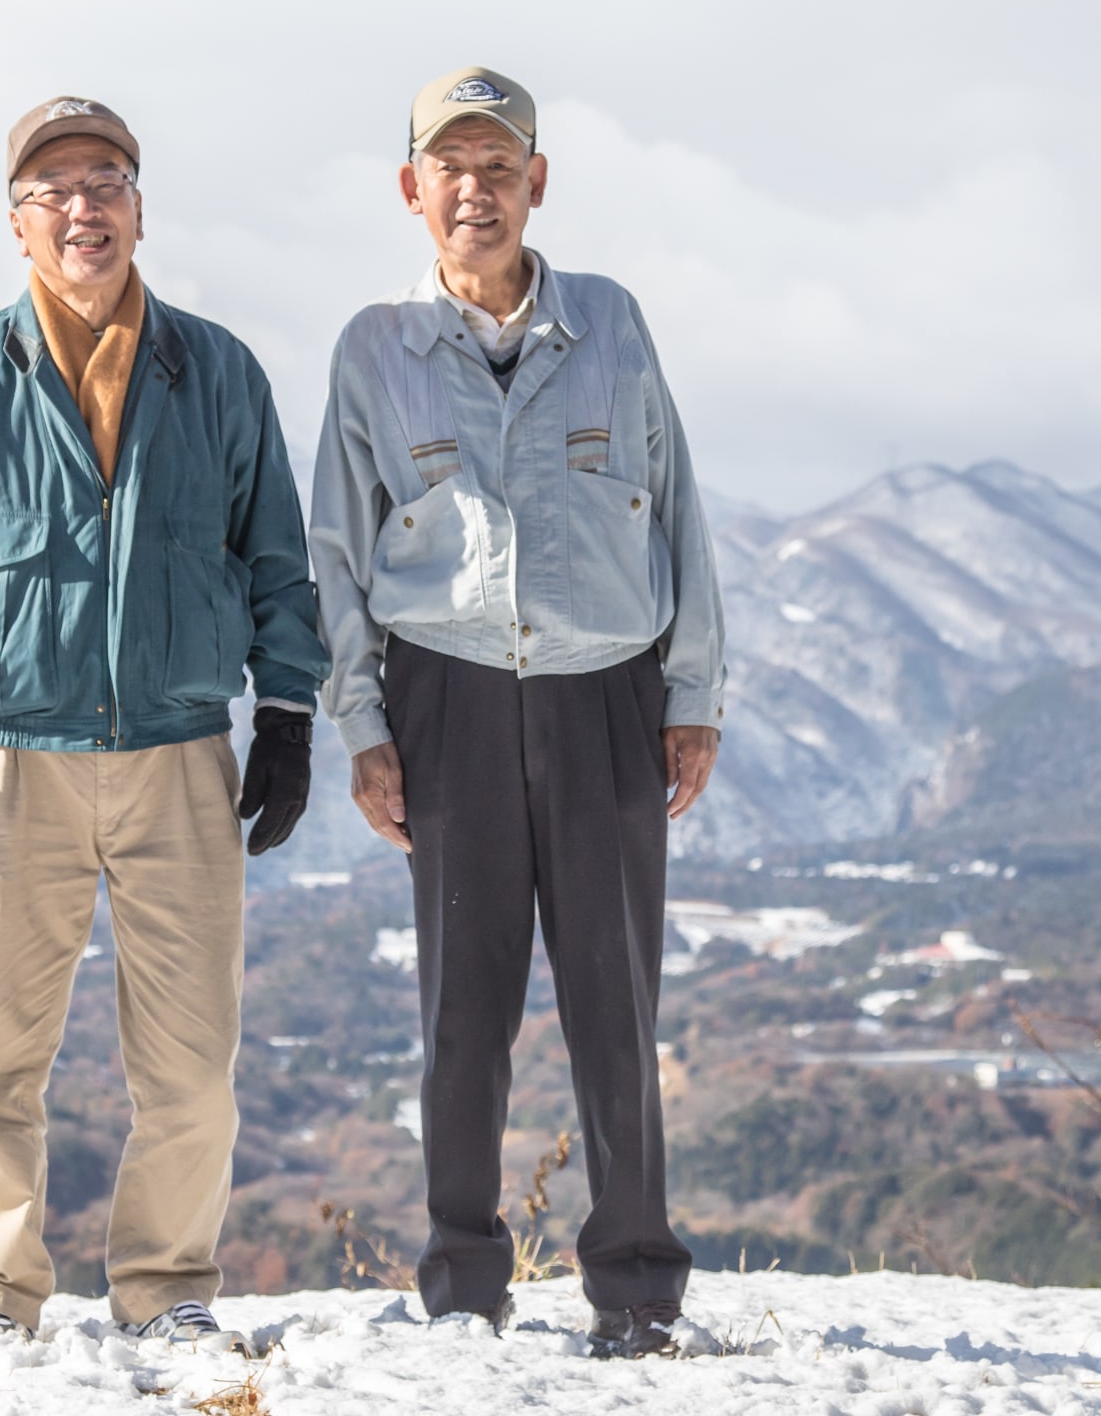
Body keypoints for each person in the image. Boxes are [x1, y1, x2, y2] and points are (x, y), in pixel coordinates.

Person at [0, 95, 330, 1363]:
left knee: (190, 1057)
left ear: (138, 205)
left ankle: (168, 1283)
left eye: (105, 180)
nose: (83, 206)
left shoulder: (216, 369)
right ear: (17, 222)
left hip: (180, 756)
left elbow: (277, 558)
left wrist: (285, 711)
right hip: (12, 759)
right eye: (54, 188)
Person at [307, 66, 727, 1361]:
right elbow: (338, 545)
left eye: (500, 168)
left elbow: (681, 506)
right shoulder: (376, 349)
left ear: (538, 184)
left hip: (610, 695)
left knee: (618, 1004)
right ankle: (462, 1288)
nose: (475, 191)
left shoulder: (611, 324)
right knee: (463, 1013)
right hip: (449, 701)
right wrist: (363, 725)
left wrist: (694, 688)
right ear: (411, 189)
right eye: (452, 168)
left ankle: (639, 1289)